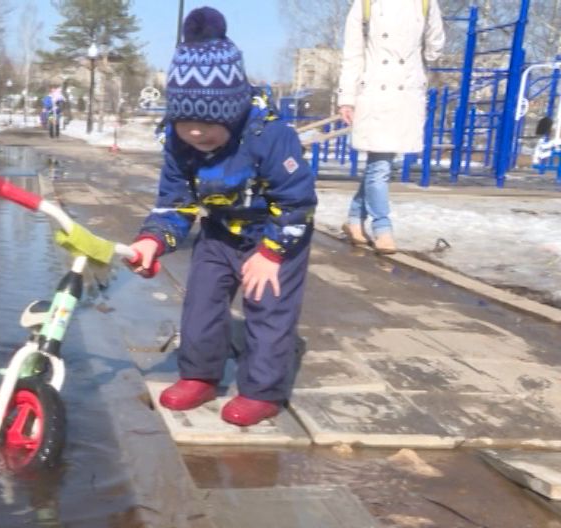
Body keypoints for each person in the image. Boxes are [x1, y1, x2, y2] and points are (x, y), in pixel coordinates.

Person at [127, 7, 316, 428]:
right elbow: (175, 203)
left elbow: (297, 202)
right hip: (220, 232)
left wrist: (271, 252)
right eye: (186, 124)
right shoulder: (180, 146)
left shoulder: (270, 136)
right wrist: (153, 240)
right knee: (201, 303)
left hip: (273, 233)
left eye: (208, 125)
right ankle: (199, 374)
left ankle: (262, 390)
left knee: (268, 307)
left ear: (230, 110)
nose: (196, 134)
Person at [337, 0, 445, 254]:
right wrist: (346, 98)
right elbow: (352, 54)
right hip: (375, 90)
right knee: (380, 167)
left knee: (380, 164)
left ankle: (354, 219)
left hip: (406, 91)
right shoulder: (365, 4)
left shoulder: (426, 4)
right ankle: (383, 227)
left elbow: (434, 47)